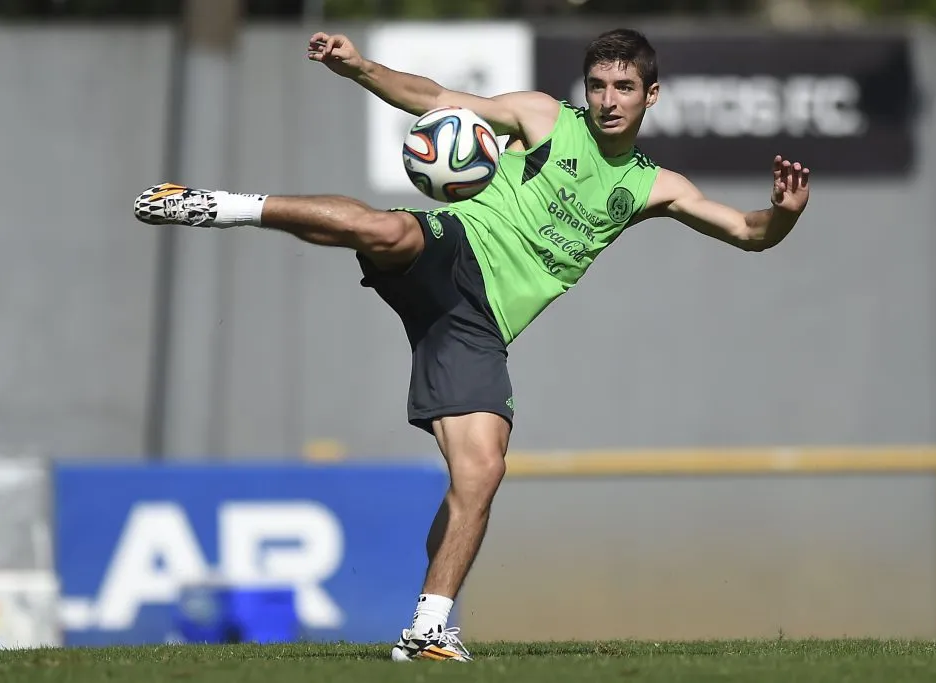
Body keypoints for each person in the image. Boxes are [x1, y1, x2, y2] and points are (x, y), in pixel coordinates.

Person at [133, 27, 810, 661]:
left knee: (482, 472)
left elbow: (747, 231)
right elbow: (434, 99)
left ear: (650, 95)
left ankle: (426, 629)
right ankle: (217, 205)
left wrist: (781, 212)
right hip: (454, 251)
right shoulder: (545, 118)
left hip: (478, 326)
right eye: (599, 85)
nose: (608, 99)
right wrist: (359, 66)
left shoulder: (654, 186)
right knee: (387, 231)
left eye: (624, 87)